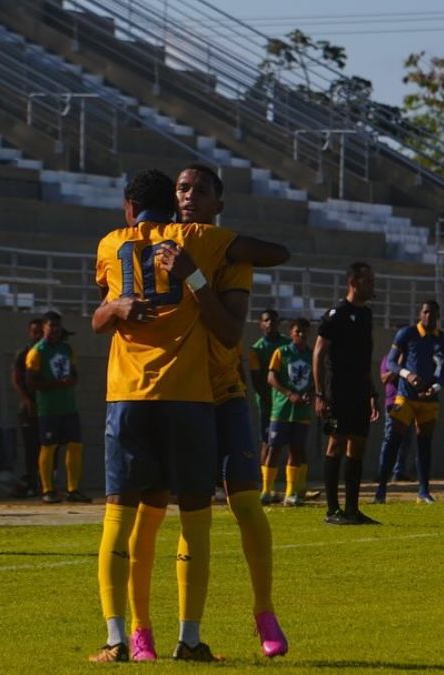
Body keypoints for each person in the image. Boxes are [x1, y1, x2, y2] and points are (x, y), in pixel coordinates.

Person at [89, 168, 282, 663]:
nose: (189, 196)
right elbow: (100, 313)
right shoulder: (202, 240)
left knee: (241, 503)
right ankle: (144, 635)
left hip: (213, 391)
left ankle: (263, 611)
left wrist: (193, 276)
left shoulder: (203, 247)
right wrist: (118, 309)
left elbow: (230, 332)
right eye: (182, 189)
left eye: (199, 189)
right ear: (171, 201)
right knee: (161, 517)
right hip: (188, 394)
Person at [313, 262, 380, 526]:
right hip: (338, 391)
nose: (372, 287)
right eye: (368, 282)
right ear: (353, 283)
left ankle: (352, 509)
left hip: (360, 392)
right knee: (336, 443)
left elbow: (365, 359)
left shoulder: (366, 315)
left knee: (358, 445)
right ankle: (332, 510)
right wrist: (319, 394)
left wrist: (372, 391)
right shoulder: (335, 315)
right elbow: (318, 354)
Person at [374, 301, 444, 504]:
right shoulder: (407, 334)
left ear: (438, 316)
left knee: (424, 444)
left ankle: (424, 491)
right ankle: (381, 489)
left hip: (429, 399)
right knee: (393, 440)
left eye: (433, 313)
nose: (429, 317)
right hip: (405, 396)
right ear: (420, 313)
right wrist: (407, 375)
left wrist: (434, 388)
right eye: (426, 312)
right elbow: (391, 362)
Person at [26, 310, 90, 504]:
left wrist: (71, 381)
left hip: (68, 405)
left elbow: (75, 373)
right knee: (48, 446)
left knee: (75, 445)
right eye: (51, 325)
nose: (54, 329)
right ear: (43, 327)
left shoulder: (66, 348)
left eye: (57, 325)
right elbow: (31, 382)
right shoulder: (37, 351)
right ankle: (48, 489)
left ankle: (73, 489)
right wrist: (55, 385)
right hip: (48, 408)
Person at [266, 318, 314, 507]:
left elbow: (317, 379)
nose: (301, 335)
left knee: (297, 449)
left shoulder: (311, 354)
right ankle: (266, 490)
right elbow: (271, 377)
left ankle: (290, 492)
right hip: (282, 409)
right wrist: (289, 394)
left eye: (305, 331)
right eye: (298, 331)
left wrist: (311, 393)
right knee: (274, 448)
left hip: (302, 411)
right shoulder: (282, 352)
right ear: (291, 333)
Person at [249, 309, 290, 501]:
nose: (270, 324)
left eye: (273, 320)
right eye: (266, 321)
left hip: (287, 402)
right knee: (267, 441)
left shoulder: (286, 344)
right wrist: (268, 398)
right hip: (268, 403)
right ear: (260, 324)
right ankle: (266, 488)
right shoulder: (256, 349)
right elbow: (257, 379)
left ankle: (294, 489)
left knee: (293, 443)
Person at [11, 318, 44, 498]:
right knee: (31, 448)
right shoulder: (24, 353)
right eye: (34, 332)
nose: (37, 335)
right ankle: (31, 482)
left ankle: (45, 483)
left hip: (46, 406)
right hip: (29, 409)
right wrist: (27, 401)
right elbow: (16, 379)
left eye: (40, 331)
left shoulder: (46, 351)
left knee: (47, 447)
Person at [377, 348, 415, 485]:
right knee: (389, 437)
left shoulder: (411, 359)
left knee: (406, 439)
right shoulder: (388, 359)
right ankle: (383, 471)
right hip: (393, 402)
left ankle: (399, 471)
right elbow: (384, 379)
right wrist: (398, 368)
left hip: (408, 402)